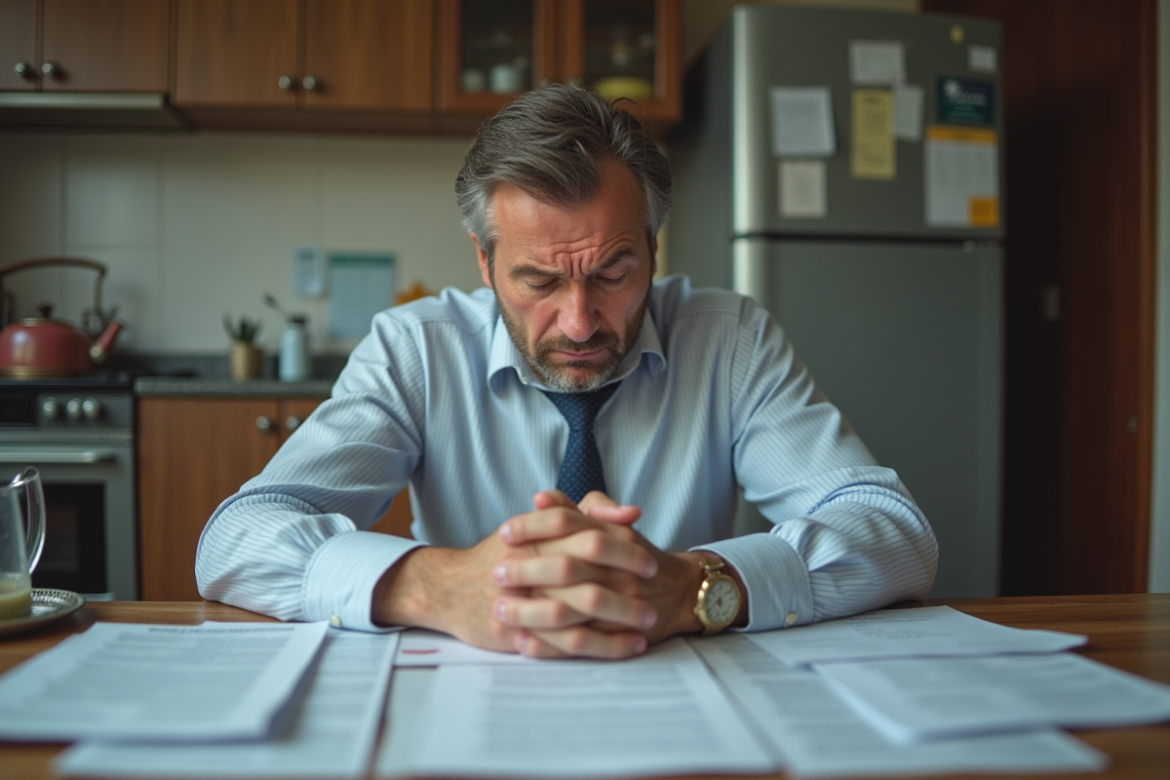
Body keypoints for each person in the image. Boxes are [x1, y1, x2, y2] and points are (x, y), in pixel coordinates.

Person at [196, 85, 937, 660]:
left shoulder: (731, 341)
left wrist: (700, 585)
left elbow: (896, 533)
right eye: (540, 283)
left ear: (653, 249)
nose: (580, 324)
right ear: (485, 264)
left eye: (614, 273)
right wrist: (438, 586)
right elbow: (236, 538)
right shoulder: (414, 350)